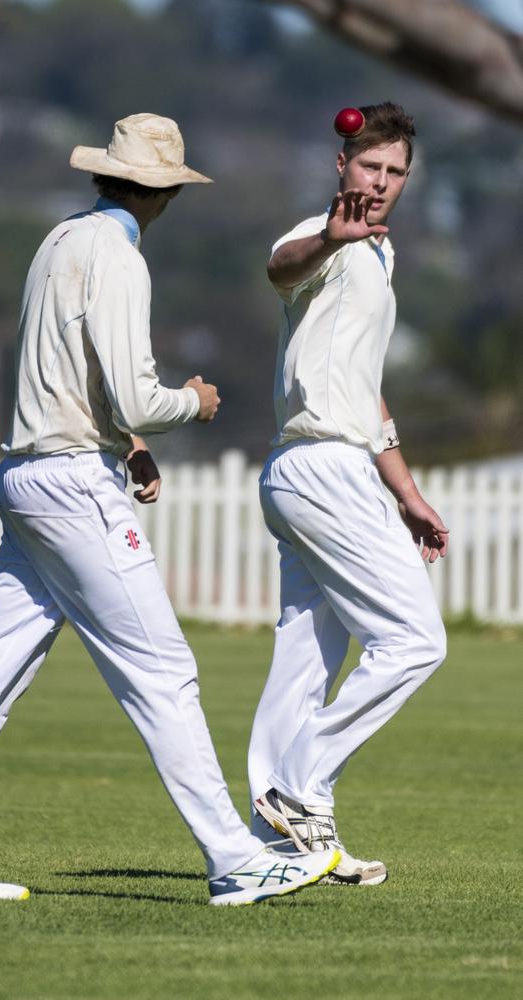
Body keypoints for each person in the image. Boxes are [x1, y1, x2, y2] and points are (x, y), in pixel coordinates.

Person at [0, 113, 338, 905]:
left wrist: (126, 440)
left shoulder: (59, 241)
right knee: (164, 671)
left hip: (26, 476)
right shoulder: (121, 259)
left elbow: (74, 380)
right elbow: (135, 390)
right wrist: (190, 403)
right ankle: (236, 859)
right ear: (163, 190)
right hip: (71, 488)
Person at [248, 103, 449, 885]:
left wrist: (407, 492)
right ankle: (298, 786)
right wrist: (332, 236)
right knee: (415, 642)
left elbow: (370, 395)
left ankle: (274, 845)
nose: (384, 182)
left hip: (324, 467)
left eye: (397, 172)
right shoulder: (324, 235)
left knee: (305, 659)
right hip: (321, 468)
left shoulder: (380, 255)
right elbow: (280, 268)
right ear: (343, 165)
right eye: (372, 166)